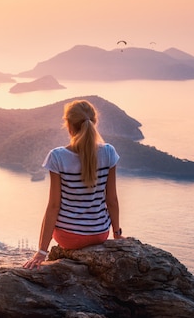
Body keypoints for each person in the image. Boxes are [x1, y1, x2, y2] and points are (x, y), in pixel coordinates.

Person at [23, 99, 124, 269]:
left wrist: (41, 252)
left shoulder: (57, 157)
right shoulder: (108, 152)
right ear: (94, 123)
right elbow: (111, 199)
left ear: (68, 125)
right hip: (99, 233)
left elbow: (54, 206)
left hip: (68, 236)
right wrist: (117, 234)